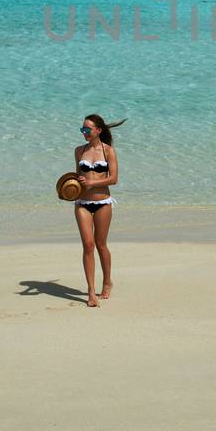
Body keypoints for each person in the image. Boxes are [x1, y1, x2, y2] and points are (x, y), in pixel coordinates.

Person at [73, 113, 124, 307]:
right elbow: (77, 177)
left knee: (101, 244)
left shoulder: (108, 151)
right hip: (82, 204)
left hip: (103, 202)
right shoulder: (79, 151)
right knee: (88, 245)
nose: (84, 133)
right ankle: (91, 292)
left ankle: (107, 281)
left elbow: (113, 179)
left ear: (98, 131)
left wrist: (92, 182)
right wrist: (68, 188)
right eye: (82, 129)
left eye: (87, 129)